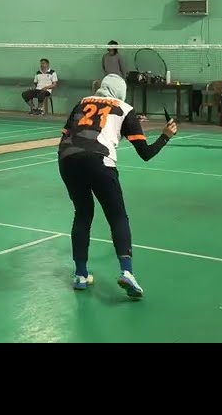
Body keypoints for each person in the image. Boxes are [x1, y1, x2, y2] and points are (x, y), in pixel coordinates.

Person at [57, 73, 178, 299]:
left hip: (66, 159)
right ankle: (127, 272)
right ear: (121, 91)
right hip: (99, 160)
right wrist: (165, 136)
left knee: (83, 214)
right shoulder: (124, 108)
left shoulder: (81, 102)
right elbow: (145, 154)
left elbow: (66, 134)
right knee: (117, 217)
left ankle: (81, 275)